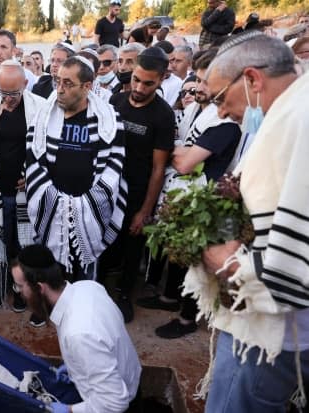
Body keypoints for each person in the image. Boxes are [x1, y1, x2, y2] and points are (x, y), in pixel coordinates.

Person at [189, 32, 304, 412]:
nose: (220, 111)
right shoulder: (289, 111)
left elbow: (296, 252)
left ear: (252, 79)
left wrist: (228, 263)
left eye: (221, 98)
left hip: (268, 334)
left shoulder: (296, 119)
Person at [137, 50, 241, 339]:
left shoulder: (227, 123)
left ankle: (186, 319)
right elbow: (180, 145)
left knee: (195, 263)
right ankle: (169, 298)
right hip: (185, 193)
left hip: (207, 198)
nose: (199, 86)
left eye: (206, 81)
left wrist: (179, 153)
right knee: (177, 256)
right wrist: (181, 151)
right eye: (198, 78)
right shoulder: (205, 109)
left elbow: (184, 161)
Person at [26, 56, 127, 282]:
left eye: (68, 83)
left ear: (87, 86)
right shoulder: (43, 117)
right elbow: (33, 160)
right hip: (51, 207)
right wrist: (56, 200)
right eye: (57, 81)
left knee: (85, 275)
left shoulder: (108, 120)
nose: (60, 89)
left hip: (91, 209)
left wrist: (83, 205)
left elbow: (113, 167)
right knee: (51, 273)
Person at [12, 244, 142, 413]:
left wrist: (69, 410)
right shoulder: (87, 287)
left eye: (20, 287)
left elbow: (115, 402)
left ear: (40, 287)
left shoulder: (79, 334)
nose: (19, 293)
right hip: (129, 383)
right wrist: (75, 369)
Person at [103, 47, 175, 323]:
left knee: (133, 249)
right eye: (136, 79)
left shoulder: (163, 115)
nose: (139, 87)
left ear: (161, 80)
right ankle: (98, 291)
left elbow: (159, 168)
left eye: (148, 83)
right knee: (105, 244)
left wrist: (145, 210)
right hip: (108, 189)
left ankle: (124, 297)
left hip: (138, 191)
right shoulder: (115, 101)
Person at [0, 61, 45, 324]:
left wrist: (30, 176)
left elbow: (44, 150)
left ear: (25, 85)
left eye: (13, 94)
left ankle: (19, 291)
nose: (8, 99)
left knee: (21, 245)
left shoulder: (38, 107)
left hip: (24, 190)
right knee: (0, 241)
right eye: (2, 93)